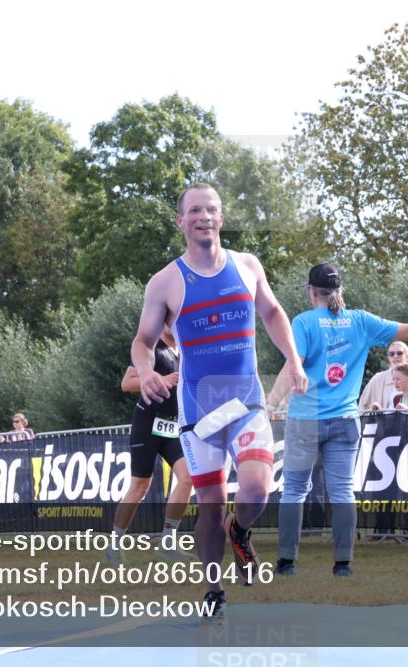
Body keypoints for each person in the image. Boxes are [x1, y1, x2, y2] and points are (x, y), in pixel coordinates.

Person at [131, 183, 308, 621]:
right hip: (199, 411)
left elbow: (271, 312)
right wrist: (149, 371)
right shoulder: (166, 281)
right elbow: (143, 340)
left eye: (211, 209)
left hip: (246, 400)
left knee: (256, 487)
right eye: (194, 211)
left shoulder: (247, 266)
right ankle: (214, 587)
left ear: (222, 217)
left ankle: (241, 530)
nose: (204, 216)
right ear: (181, 221)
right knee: (209, 500)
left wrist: (293, 357)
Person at [266, 263, 408, 576]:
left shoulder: (303, 322)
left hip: (306, 419)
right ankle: (343, 565)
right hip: (345, 419)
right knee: (342, 492)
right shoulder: (360, 321)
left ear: (311, 291)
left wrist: (270, 403)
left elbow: (293, 367)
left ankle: (287, 563)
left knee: (294, 491)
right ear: (339, 291)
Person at [108, 326, 195, 564]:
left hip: (172, 427)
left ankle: (168, 542)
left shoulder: (184, 352)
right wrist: (163, 380)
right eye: (167, 320)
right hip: (147, 425)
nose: (172, 325)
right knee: (140, 487)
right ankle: (113, 545)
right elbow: (127, 383)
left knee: (188, 477)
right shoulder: (151, 348)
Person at [359, 342, 408, 411]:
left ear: (407, 357)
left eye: (399, 353)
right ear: (389, 358)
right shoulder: (377, 379)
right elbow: (361, 406)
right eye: (391, 354)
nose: (395, 356)